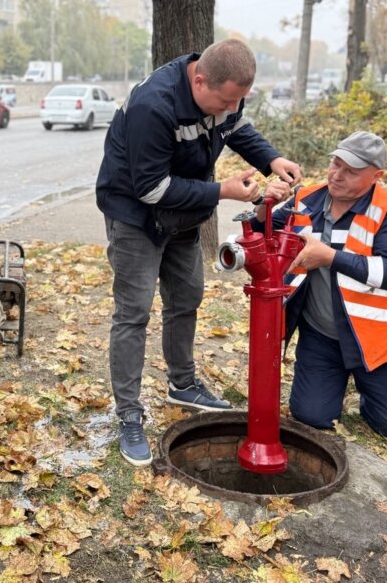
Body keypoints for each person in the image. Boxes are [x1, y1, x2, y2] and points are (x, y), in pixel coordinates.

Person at [96, 38, 302, 466]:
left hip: (183, 216)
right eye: (224, 101)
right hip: (136, 215)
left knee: (187, 296)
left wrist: (271, 159)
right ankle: (129, 415)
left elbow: (236, 128)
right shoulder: (153, 106)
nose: (229, 109)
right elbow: (151, 189)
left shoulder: (225, 97)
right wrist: (221, 191)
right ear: (201, 80)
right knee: (133, 313)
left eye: (238, 101)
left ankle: (182, 384)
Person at [259, 131, 387, 440]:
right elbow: (259, 228)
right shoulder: (307, 198)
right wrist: (265, 204)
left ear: (376, 175)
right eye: (335, 164)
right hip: (321, 337)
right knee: (310, 417)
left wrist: (330, 257)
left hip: (378, 340)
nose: (337, 175)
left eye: (351, 171)